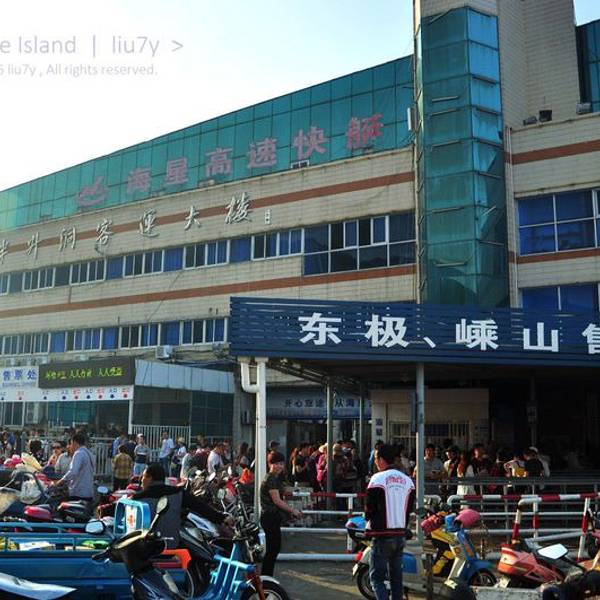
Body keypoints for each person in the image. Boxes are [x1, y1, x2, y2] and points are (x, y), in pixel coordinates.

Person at [134, 463, 234, 548]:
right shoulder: (179, 493)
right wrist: (222, 518)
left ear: (150, 478)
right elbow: (202, 508)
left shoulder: (135, 499)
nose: (141, 480)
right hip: (172, 547)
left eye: (143, 476)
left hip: (143, 551)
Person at [365, 443, 415, 600]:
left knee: (377, 579)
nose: (375, 462)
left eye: (375, 458)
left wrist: (368, 521)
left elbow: (369, 508)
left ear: (381, 459)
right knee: (396, 580)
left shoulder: (377, 479)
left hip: (382, 536)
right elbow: (409, 509)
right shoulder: (408, 481)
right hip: (400, 535)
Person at [259, 451, 302, 576]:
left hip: (270, 517)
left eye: (281, 464)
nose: (279, 466)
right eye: (276, 463)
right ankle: (266, 577)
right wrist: (292, 510)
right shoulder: (271, 479)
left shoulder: (273, 478)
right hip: (270, 517)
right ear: (269, 464)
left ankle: (266, 576)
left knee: (273, 549)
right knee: (273, 549)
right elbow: (277, 501)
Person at [56, 433, 95, 501]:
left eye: (71, 444)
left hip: (78, 493)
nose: (70, 446)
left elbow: (73, 472)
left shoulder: (79, 453)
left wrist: (60, 481)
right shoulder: (89, 453)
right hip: (88, 492)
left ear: (75, 443)